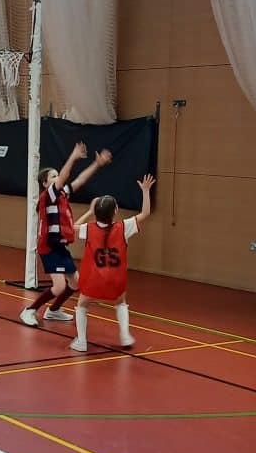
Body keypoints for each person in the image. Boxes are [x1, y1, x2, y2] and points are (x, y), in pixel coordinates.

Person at [19, 143, 112, 328]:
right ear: (45, 184)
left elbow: (79, 181)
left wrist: (97, 164)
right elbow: (64, 176)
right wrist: (73, 156)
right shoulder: (48, 196)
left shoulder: (61, 195)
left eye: (57, 175)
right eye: (53, 177)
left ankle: (53, 310)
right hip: (49, 247)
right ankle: (29, 310)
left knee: (76, 283)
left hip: (60, 247)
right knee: (59, 286)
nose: (57, 178)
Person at [69, 175, 154, 352]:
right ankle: (125, 335)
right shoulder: (123, 227)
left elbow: (71, 228)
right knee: (120, 302)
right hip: (116, 279)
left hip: (94, 280)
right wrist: (145, 191)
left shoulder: (89, 228)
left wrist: (89, 212)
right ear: (115, 210)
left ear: (97, 212)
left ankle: (82, 341)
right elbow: (145, 213)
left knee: (82, 304)